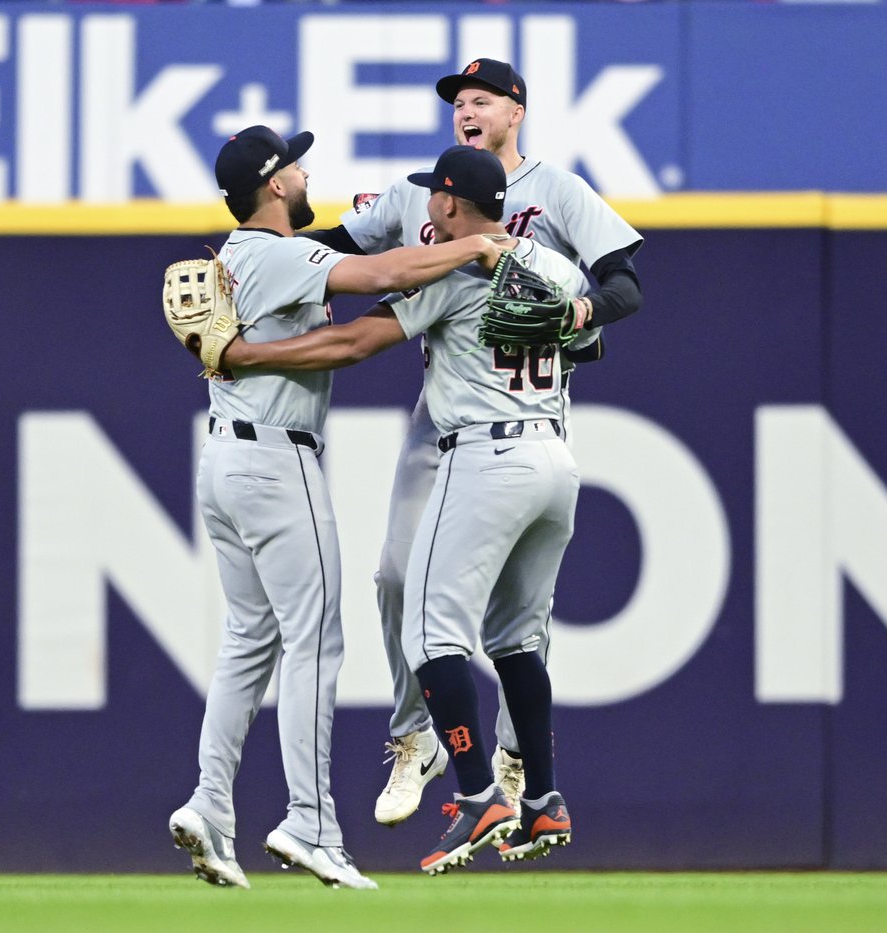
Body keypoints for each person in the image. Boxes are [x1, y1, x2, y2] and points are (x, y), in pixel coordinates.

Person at [223, 144, 593, 873]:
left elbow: (358, 340)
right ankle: (544, 800)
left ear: (451, 204)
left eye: (434, 197)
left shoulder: (454, 263)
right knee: (518, 639)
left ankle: (481, 794)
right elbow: (591, 335)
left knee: (428, 635)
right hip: (556, 454)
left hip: (486, 453)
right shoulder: (555, 265)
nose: (425, 207)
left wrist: (245, 355)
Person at [167, 125, 510, 891]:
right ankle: (310, 821)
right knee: (314, 644)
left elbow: (337, 342)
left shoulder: (235, 258)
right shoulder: (284, 252)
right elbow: (380, 274)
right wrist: (469, 249)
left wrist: (249, 354)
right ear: (275, 185)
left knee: (247, 642)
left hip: (222, 455)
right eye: (293, 164)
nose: (304, 169)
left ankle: (209, 803)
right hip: (275, 461)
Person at [303, 58, 644, 826]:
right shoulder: (421, 193)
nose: (465, 110)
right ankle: (414, 739)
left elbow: (624, 283)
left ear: (515, 112)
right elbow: (333, 245)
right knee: (397, 576)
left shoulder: (553, 194)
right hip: (446, 409)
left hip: (523, 410)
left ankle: (506, 768)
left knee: (499, 617)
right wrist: (264, 237)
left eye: (481, 99)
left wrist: (581, 318)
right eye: (457, 101)